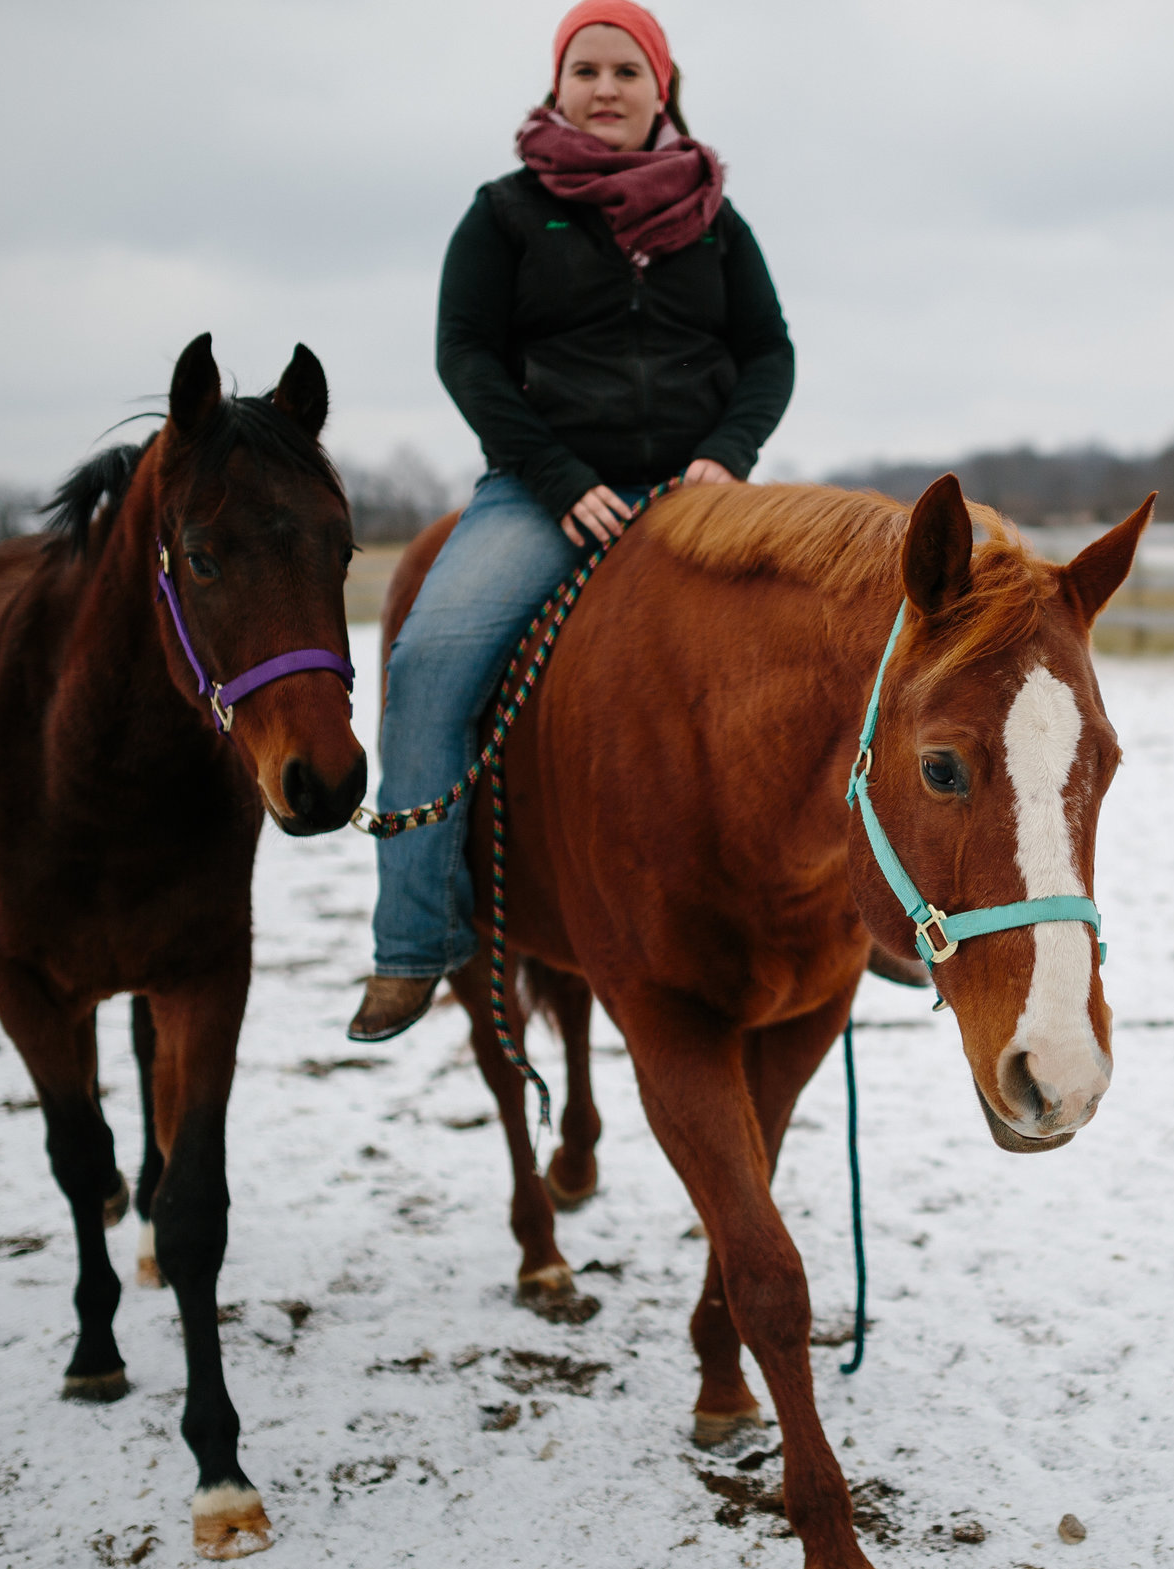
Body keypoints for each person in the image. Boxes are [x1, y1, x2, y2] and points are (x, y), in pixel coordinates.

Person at [351, 0, 794, 1042]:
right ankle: (414, 941)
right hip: (546, 491)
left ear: (661, 88)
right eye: (585, 70)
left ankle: (879, 921)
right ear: (557, 87)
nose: (604, 89)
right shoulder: (504, 212)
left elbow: (767, 351)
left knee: (827, 649)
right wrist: (550, 473)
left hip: (701, 494)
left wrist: (726, 457)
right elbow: (465, 352)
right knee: (427, 666)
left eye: (625, 72)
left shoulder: (715, 220)